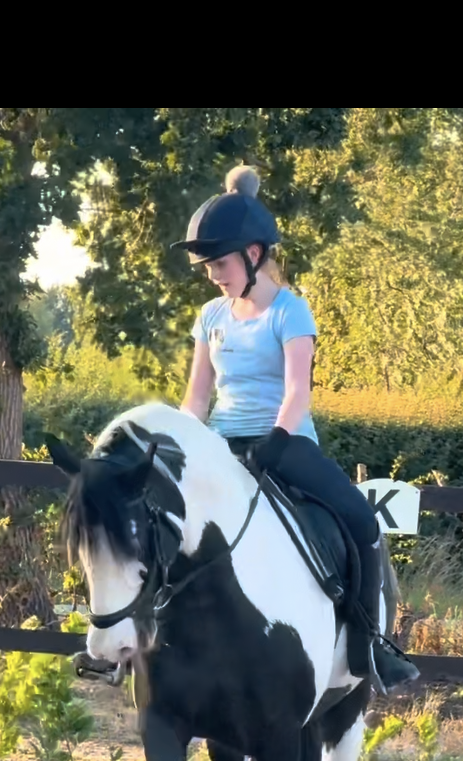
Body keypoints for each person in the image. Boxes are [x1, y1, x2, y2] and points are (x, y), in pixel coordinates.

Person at [176, 166, 420, 693]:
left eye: (219, 263)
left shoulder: (291, 311)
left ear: (254, 255)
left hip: (282, 441)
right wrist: (179, 444)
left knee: (360, 520)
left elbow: (296, 393)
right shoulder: (210, 316)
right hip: (221, 442)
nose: (213, 275)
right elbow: (197, 396)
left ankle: (371, 643)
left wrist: (276, 443)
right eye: (207, 267)